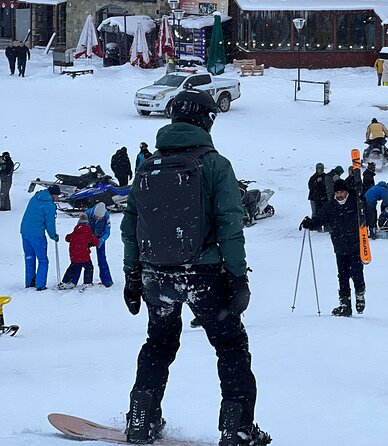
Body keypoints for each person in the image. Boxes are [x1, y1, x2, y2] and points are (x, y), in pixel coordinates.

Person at [120, 89, 270, 445]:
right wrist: (237, 276)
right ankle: (237, 429)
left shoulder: (148, 165)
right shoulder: (215, 164)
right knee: (231, 346)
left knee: (158, 343)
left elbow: (131, 224)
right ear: (206, 120)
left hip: (156, 274)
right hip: (203, 274)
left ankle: (142, 419)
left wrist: (132, 275)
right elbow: (230, 224)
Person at [300, 179, 366, 317]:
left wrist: (359, 191)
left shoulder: (355, 202)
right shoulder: (330, 206)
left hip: (355, 245)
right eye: (337, 192)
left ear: (346, 191)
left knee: (356, 272)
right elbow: (319, 218)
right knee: (342, 276)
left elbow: (366, 209)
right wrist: (310, 223)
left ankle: (360, 295)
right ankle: (345, 305)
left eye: (342, 192)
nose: (340, 194)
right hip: (339, 246)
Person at [20, 185, 60, 291]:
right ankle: (40, 284)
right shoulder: (49, 205)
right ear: (53, 195)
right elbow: (50, 223)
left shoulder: (35, 198)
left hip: (25, 232)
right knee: (43, 260)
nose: (57, 198)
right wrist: (54, 236)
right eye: (57, 196)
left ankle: (29, 282)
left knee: (29, 258)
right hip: (37, 235)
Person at [58, 214, 100, 290]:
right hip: (84, 256)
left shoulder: (75, 232)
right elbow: (96, 242)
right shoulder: (87, 233)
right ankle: (87, 282)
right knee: (89, 267)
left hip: (74, 255)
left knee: (74, 268)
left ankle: (68, 281)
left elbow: (67, 238)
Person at [85, 202, 113, 287]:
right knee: (82, 258)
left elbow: (107, 231)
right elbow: (82, 228)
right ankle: (86, 280)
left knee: (102, 259)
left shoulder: (106, 216)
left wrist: (101, 240)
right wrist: (89, 239)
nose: (98, 218)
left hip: (100, 238)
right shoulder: (87, 214)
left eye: (100, 218)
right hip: (88, 237)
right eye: (96, 217)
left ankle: (107, 281)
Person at [308, 162, 327, 231]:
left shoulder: (325, 176)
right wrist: (316, 182)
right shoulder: (313, 177)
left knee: (324, 212)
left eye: (321, 169)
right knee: (315, 213)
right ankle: (314, 226)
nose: (320, 171)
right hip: (314, 198)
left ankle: (325, 227)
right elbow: (310, 187)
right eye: (318, 169)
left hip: (323, 198)